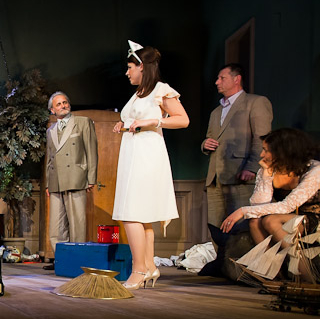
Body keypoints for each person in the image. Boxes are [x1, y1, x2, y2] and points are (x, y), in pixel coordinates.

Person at [111, 41, 189, 290]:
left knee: (132, 213)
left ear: (142, 66)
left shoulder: (160, 90)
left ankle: (138, 270)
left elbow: (182, 120)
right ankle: (149, 266)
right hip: (132, 153)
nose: (127, 72)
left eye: (130, 67)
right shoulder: (138, 93)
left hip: (147, 156)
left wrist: (153, 122)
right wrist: (124, 125)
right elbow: (136, 120)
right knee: (141, 216)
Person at [221, 128, 320, 254]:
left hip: (315, 218)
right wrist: (266, 175)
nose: (261, 155)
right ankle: (271, 264)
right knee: (255, 221)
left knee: (271, 221)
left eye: (266, 150)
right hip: (291, 217)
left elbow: (287, 206)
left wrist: (242, 211)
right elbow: (258, 206)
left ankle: (300, 264)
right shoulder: (269, 168)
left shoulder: (314, 170)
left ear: (282, 152)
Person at [202, 63, 273, 229]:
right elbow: (210, 137)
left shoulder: (255, 102)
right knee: (216, 227)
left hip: (240, 175)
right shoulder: (216, 112)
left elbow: (263, 138)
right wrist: (205, 144)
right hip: (215, 178)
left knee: (241, 227)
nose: (217, 82)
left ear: (237, 79)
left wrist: (252, 167)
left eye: (222, 78)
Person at [44, 92, 98, 266]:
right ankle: (62, 259)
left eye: (65, 102)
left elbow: (91, 150)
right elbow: (50, 159)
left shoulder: (82, 122)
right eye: (59, 104)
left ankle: (77, 260)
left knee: (77, 223)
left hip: (76, 177)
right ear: (52, 110)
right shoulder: (50, 130)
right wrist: (47, 183)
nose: (63, 106)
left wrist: (91, 177)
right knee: (56, 226)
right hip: (56, 181)